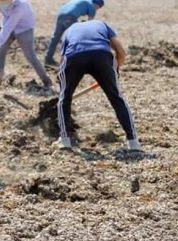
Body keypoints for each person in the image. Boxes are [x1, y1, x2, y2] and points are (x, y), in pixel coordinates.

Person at [53, 20, 140, 151]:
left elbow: (63, 59)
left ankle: (64, 141)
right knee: (117, 98)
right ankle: (134, 143)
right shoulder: (102, 24)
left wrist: (61, 79)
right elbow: (121, 51)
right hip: (102, 56)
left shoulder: (70, 30)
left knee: (64, 98)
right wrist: (113, 71)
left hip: (74, 57)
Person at [0, 0, 53, 90]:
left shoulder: (19, 6)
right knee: (1, 52)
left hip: (24, 29)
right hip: (8, 25)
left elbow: (8, 28)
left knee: (30, 56)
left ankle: (47, 81)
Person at [45, 0, 105, 66]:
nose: (97, 9)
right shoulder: (92, 6)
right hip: (70, 17)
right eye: (98, 8)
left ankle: (48, 58)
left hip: (61, 15)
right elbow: (90, 24)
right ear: (97, 5)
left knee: (55, 38)